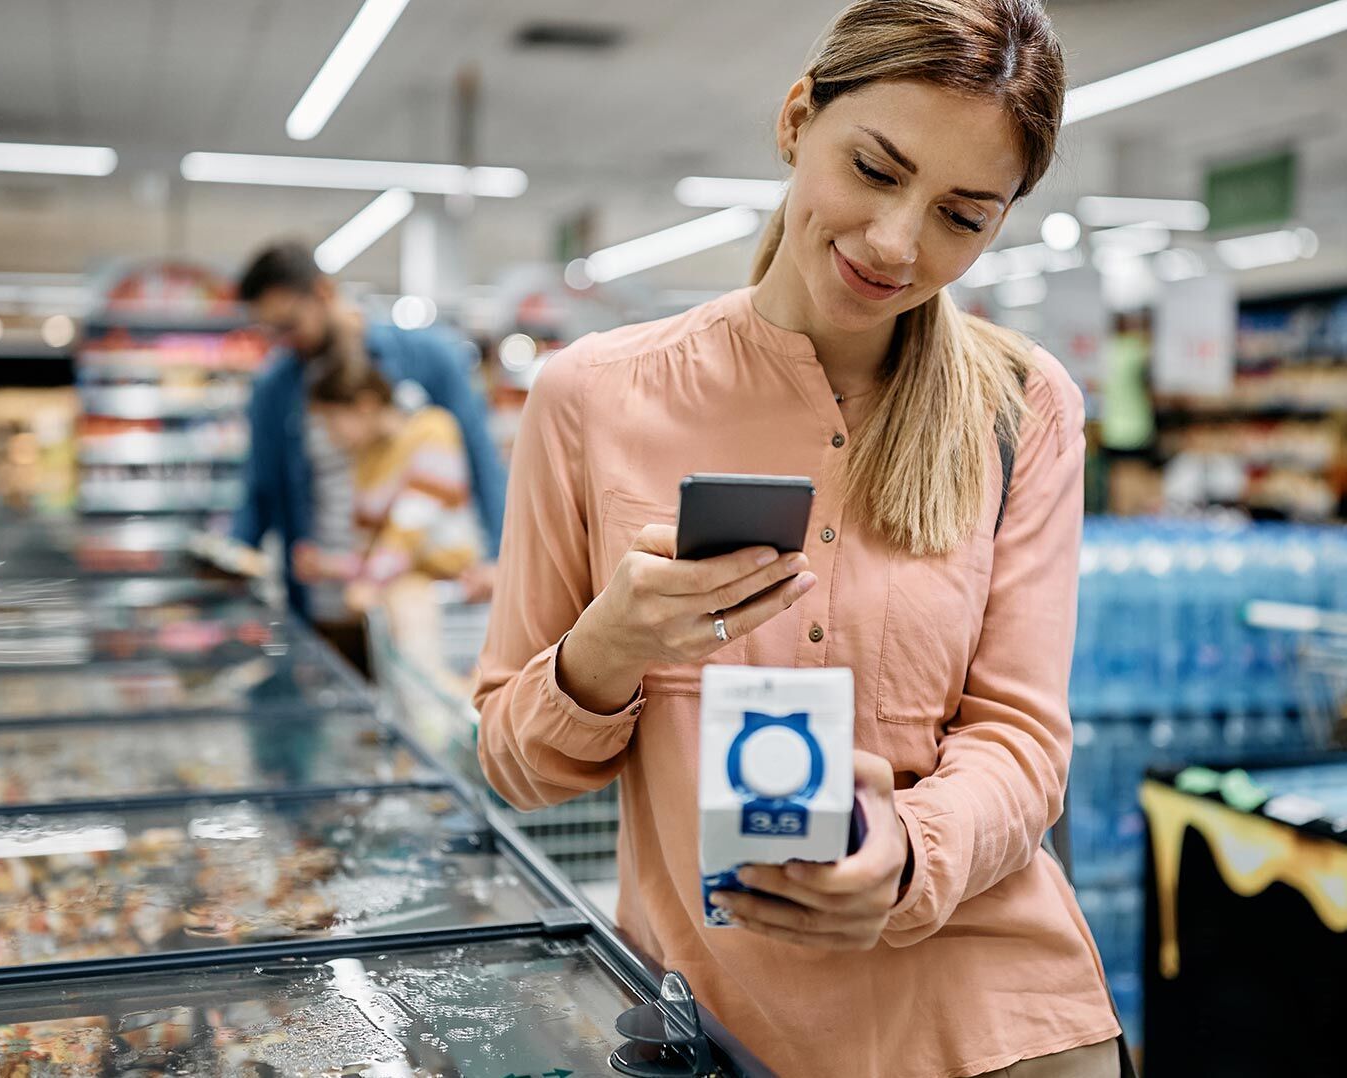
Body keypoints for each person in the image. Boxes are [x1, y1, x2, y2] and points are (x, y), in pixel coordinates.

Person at [474, 3, 1124, 1075]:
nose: (895, 243)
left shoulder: (1024, 406)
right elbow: (515, 763)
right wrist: (610, 650)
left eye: (963, 216)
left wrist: (913, 851)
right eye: (874, 169)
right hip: (726, 1028)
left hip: (1001, 1027)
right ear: (795, 121)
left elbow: (1023, 739)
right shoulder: (594, 396)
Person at [231, 242, 505, 635]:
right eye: (270, 330)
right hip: (326, 601)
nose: (282, 340)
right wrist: (234, 557)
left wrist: (499, 559)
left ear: (323, 293)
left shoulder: (428, 358)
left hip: (413, 595)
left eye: (289, 324)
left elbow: (482, 464)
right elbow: (261, 489)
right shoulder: (274, 389)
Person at [295, 355, 482, 612]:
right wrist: (327, 566)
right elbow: (374, 549)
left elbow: (409, 529)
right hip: (398, 597)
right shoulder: (366, 459)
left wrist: (371, 582)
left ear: (365, 405)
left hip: (449, 595)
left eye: (332, 419)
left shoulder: (432, 430)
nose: (330, 433)